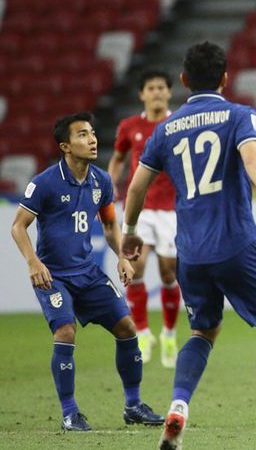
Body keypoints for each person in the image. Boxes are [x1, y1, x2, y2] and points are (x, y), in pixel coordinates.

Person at [121, 42, 256, 450]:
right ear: (225, 78)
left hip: (191, 251)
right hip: (237, 244)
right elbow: (253, 160)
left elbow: (136, 184)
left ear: (184, 81)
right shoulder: (239, 115)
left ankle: (178, 406)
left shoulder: (166, 128)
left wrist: (130, 228)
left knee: (202, 332)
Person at [10, 112, 164, 431]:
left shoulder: (101, 181)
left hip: (88, 273)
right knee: (65, 331)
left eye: (92, 133)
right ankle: (69, 413)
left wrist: (121, 256)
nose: (92, 139)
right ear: (66, 145)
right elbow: (18, 227)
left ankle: (133, 405)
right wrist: (33, 262)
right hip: (53, 275)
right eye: (82, 135)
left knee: (126, 327)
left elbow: (109, 224)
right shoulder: (44, 183)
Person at [108, 69, 181, 368]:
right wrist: (109, 185)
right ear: (142, 94)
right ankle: (142, 332)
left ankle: (169, 333)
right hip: (140, 209)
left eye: (161, 87)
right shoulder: (129, 126)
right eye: (150, 88)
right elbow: (118, 158)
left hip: (173, 209)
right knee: (135, 268)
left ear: (168, 92)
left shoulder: (178, 123)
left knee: (168, 274)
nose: (156, 92)